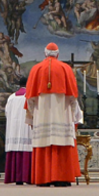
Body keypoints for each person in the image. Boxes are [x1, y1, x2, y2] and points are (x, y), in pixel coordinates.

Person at [25, 42, 82, 187]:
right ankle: (61, 178)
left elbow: (30, 98)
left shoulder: (36, 69)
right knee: (61, 141)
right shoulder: (66, 68)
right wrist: (74, 115)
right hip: (61, 114)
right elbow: (73, 97)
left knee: (43, 141)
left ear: (45, 54)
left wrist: (32, 116)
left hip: (41, 114)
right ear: (57, 54)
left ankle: (42, 179)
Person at [4, 77, 32, 185]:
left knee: (16, 149)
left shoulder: (11, 97)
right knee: (26, 148)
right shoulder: (29, 96)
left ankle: (17, 178)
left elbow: (7, 113)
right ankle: (28, 177)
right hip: (26, 127)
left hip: (14, 128)